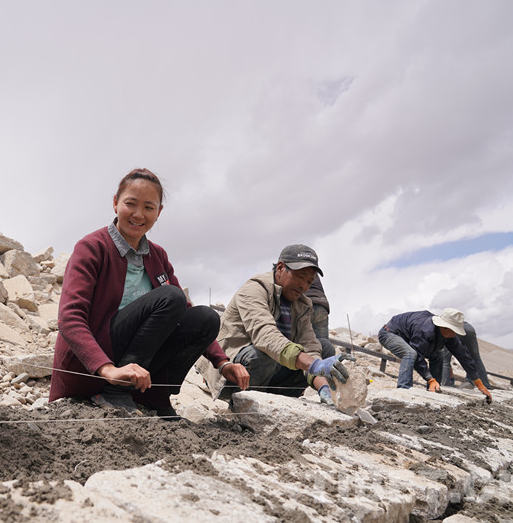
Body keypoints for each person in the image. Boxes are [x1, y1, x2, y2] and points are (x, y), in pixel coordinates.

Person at [48, 168, 249, 418]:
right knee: (170, 297)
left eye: (148, 207)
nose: (138, 214)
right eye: (130, 204)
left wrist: (222, 362)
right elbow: (70, 318)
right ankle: (116, 391)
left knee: (205, 318)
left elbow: (185, 314)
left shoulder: (157, 256)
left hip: (135, 367)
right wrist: (108, 369)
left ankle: (154, 397)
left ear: (158, 212)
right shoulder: (92, 247)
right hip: (93, 369)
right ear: (115, 203)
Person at [196, 244, 354, 405]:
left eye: (309, 281)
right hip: (230, 372)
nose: (304, 286)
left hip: (272, 371)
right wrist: (314, 365)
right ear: (280, 268)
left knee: (324, 347)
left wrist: (323, 387)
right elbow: (265, 336)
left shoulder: (303, 304)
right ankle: (243, 403)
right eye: (300, 277)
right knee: (262, 353)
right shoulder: (254, 289)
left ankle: (278, 401)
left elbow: (310, 346)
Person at [377, 308, 492, 402]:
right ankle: (404, 390)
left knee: (438, 355)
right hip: (389, 333)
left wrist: (478, 382)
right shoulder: (425, 330)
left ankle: (433, 391)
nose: (454, 334)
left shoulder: (449, 336)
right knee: (410, 353)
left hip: (408, 339)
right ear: (445, 327)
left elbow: (463, 356)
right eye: (454, 330)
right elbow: (418, 356)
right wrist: (429, 379)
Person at [440, 321, 492, 389]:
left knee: (445, 359)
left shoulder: (442, 328)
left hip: (455, 328)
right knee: (476, 358)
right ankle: (486, 385)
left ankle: (446, 385)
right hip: (469, 328)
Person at [305, 275, 335, 358]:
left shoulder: (296, 271)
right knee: (323, 346)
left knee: (301, 342)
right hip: (322, 306)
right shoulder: (314, 273)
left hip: (304, 305)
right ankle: (325, 365)